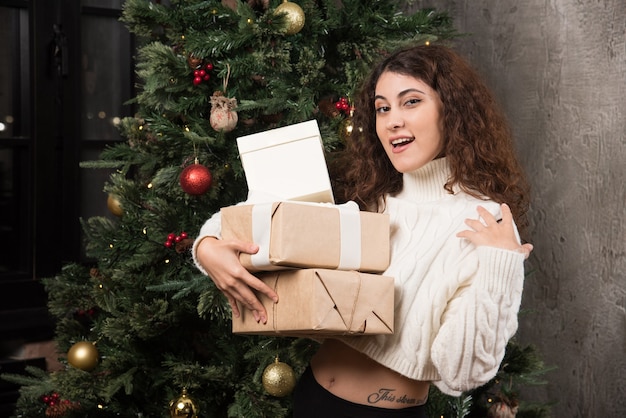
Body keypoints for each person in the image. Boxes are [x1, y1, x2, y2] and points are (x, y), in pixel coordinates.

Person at [192, 43, 533, 418]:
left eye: (411, 102)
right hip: (311, 400)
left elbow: (461, 375)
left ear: (451, 111)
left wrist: (500, 267)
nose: (392, 121)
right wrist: (208, 247)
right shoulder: (367, 193)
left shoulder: (485, 222)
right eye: (382, 108)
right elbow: (259, 211)